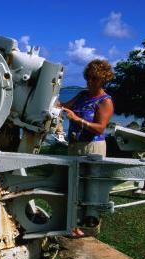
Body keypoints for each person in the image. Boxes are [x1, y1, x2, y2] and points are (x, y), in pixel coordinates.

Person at [61, 59, 115, 237]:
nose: (89, 82)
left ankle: (91, 226)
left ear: (103, 80)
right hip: (75, 145)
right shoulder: (83, 95)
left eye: (93, 79)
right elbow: (63, 106)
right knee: (73, 186)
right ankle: (74, 225)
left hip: (93, 146)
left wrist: (78, 120)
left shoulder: (105, 101)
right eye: (88, 78)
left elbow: (100, 127)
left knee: (90, 188)